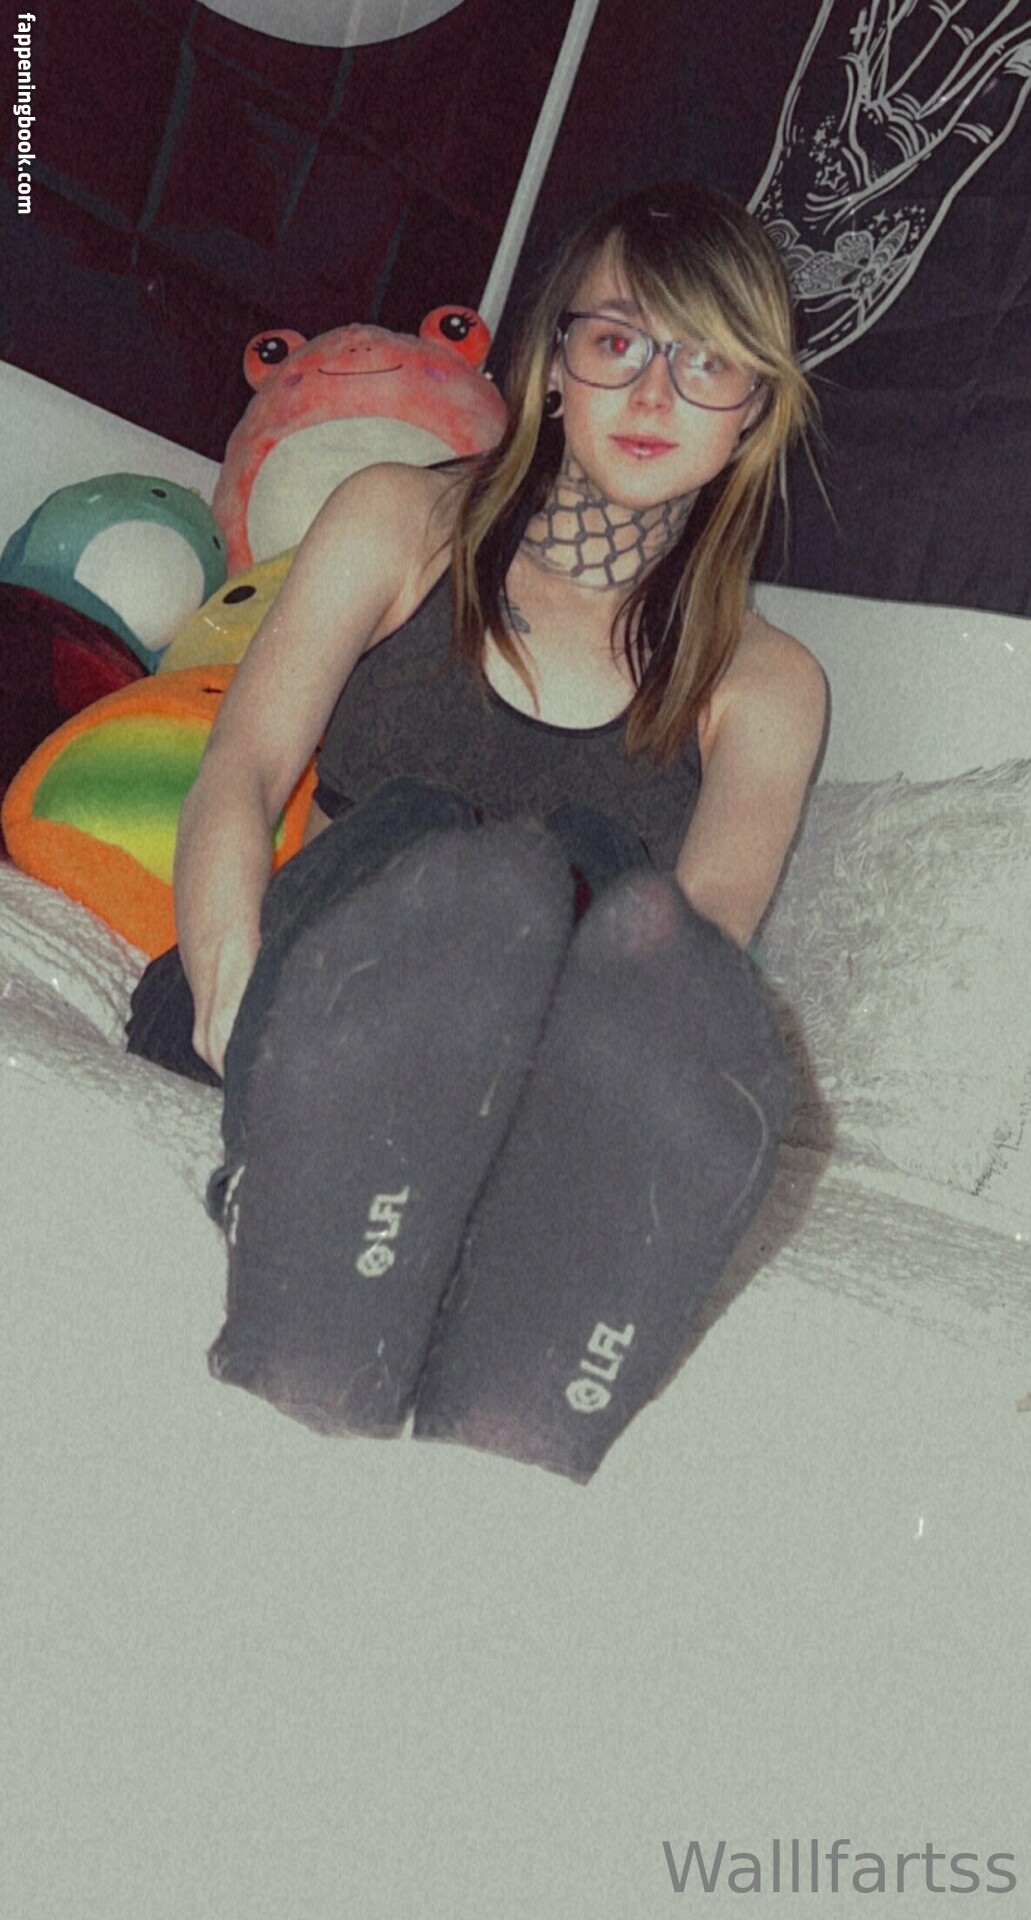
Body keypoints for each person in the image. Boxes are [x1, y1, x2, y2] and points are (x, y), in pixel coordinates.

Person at [127, 181, 827, 1483]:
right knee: (430, 836)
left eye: (708, 362)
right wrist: (232, 982)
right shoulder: (399, 515)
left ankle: (513, 1308)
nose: (656, 391)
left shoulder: (767, 680)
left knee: (604, 885)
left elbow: (693, 952)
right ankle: (316, 1202)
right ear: (554, 364)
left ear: (753, 412)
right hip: (306, 984)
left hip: (532, 1066)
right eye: (618, 341)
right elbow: (244, 765)